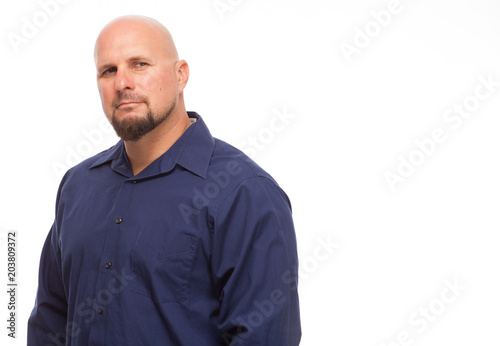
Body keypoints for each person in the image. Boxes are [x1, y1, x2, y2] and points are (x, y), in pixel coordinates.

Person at [27, 15, 301, 345]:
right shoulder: (78, 186)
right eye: (108, 70)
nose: (122, 83)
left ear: (180, 74)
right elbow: (49, 320)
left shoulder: (245, 193)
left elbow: (263, 337)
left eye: (139, 64)